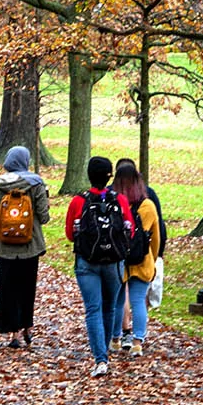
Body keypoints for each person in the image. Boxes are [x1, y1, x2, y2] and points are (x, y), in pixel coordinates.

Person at [66, 155, 135, 377]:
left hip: (87, 261)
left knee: (93, 309)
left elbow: (70, 234)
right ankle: (104, 350)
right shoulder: (120, 201)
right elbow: (129, 231)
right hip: (114, 262)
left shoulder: (79, 201)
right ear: (109, 177)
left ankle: (100, 359)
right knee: (109, 307)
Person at [0, 146, 50, 348]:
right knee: (27, 288)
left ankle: (13, 334)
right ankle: (27, 326)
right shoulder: (36, 183)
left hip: (5, 246)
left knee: (8, 289)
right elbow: (43, 217)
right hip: (30, 245)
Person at [109, 161, 162, 358]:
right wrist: (154, 258)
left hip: (118, 259)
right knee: (138, 300)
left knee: (118, 300)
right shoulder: (147, 205)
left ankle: (115, 339)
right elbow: (155, 237)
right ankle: (137, 341)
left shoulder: (114, 203)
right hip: (141, 260)